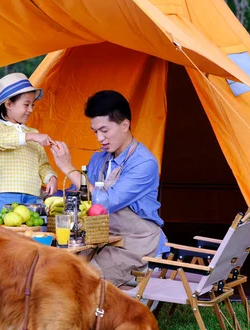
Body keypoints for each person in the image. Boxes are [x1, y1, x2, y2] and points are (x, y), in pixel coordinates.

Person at [50, 90, 168, 286]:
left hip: (135, 244)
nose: (99, 138)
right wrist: (49, 190)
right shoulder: (99, 158)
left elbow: (106, 202)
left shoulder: (144, 163)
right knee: (60, 269)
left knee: (82, 280)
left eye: (104, 130)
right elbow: (80, 196)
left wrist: (67, 167)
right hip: (101, 239)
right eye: (95, 132)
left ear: (125, 125)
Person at [0, 73, 58, 212]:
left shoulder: (34, 133)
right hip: (7, 193)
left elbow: (43, 164)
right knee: (3, 230)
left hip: (33, 195)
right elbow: (1, 140)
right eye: (26, 104)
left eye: (32, 105)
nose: (31, 110)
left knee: (32, 231)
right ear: (8, 104)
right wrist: (30, 137)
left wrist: (51, 177)